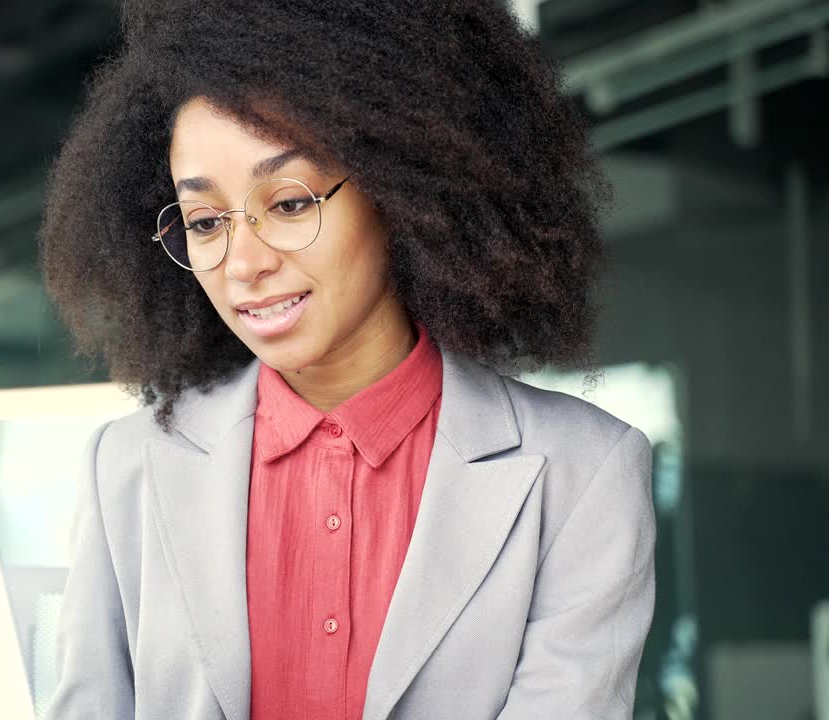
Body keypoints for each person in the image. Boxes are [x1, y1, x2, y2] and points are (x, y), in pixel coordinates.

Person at [38, 1, 656, 718]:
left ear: (400, 190)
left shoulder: (582, 474)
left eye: (291, 204)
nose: (244, 263)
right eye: (206, 222)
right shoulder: (127, 468)